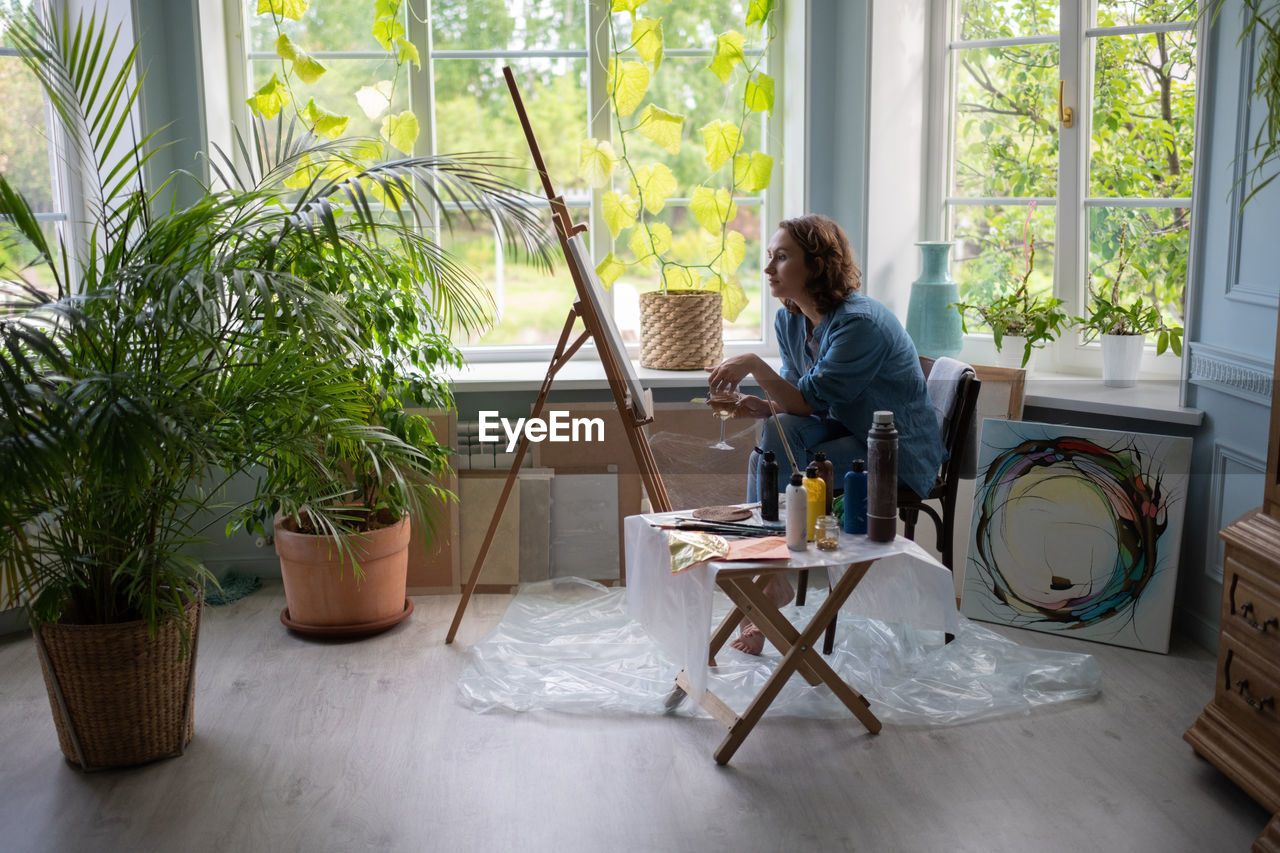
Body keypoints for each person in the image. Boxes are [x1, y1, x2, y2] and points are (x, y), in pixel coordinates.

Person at [706, 214, 944, 654]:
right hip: (842, 437)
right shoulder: (791, 322)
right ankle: (770, 570)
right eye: (770, 256)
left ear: (816, 265)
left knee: (776, 441)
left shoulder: (860, 324)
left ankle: (766, 573)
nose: (768, 268)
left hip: (891, 452)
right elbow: (798, 399)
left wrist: (756, 368)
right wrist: (766, 406)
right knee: (773, 433)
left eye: (781, 257)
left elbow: (810, 400)